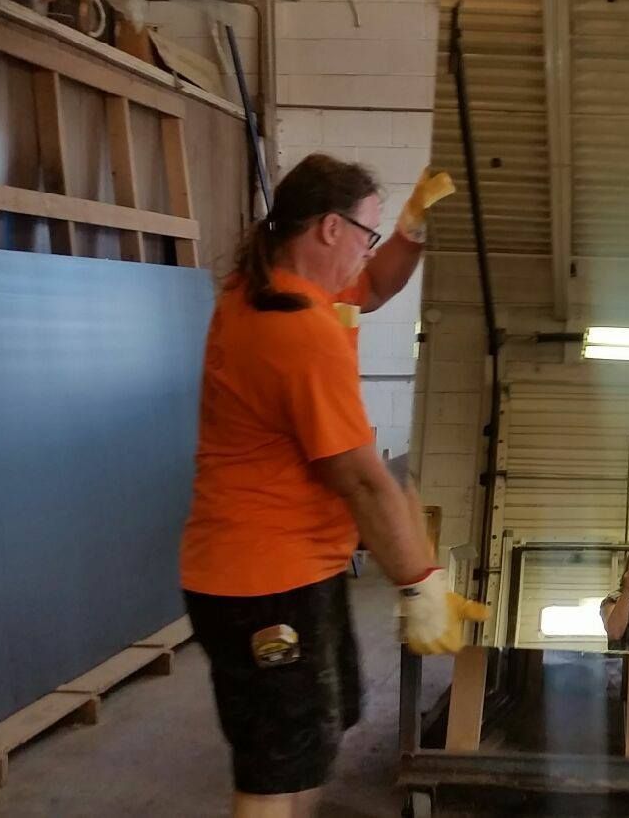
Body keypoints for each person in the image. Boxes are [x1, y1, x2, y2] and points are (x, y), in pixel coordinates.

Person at [179, 153, 484, 818]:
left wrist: (410, 230)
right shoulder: (298, 331)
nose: (368, 250)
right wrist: (419, 582)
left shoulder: (261, 288)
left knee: (308, 743)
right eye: (366, 233)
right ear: (327, 229)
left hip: (284, 574)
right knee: (274, 769)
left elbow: (372, 287)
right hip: (264, 584)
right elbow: (365, 483)